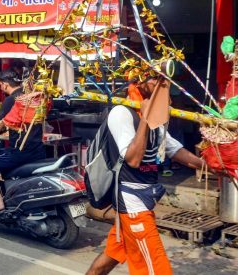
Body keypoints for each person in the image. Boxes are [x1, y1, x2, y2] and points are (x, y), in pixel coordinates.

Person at [86, 78, 205, 275]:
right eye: (156, 80)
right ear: (140, 81)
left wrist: (214, 166)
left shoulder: (154, 118)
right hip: (132, 204)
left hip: (145, 200)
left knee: (110, 257)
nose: (163, 85)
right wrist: (145, 118)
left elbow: (175, 151)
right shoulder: (121, 113)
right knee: (157, 270)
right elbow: (133, 158)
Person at [0, 69, 45, 212]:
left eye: (0, 84)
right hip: (37, 149)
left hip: (20, 151)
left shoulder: (12, 100)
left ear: (4, 84)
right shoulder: (30, 96)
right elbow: (13, 123)